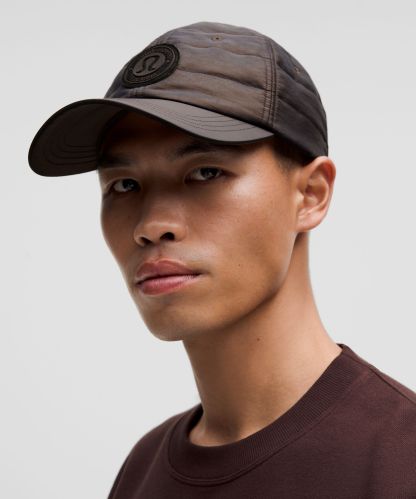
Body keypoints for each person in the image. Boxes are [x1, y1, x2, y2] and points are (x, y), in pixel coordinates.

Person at [28, 21, 416, 499]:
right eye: (124, 185)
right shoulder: (142, 470)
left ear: (311, 194)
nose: (151, 224)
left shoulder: (402, 459)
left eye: (205, 172)